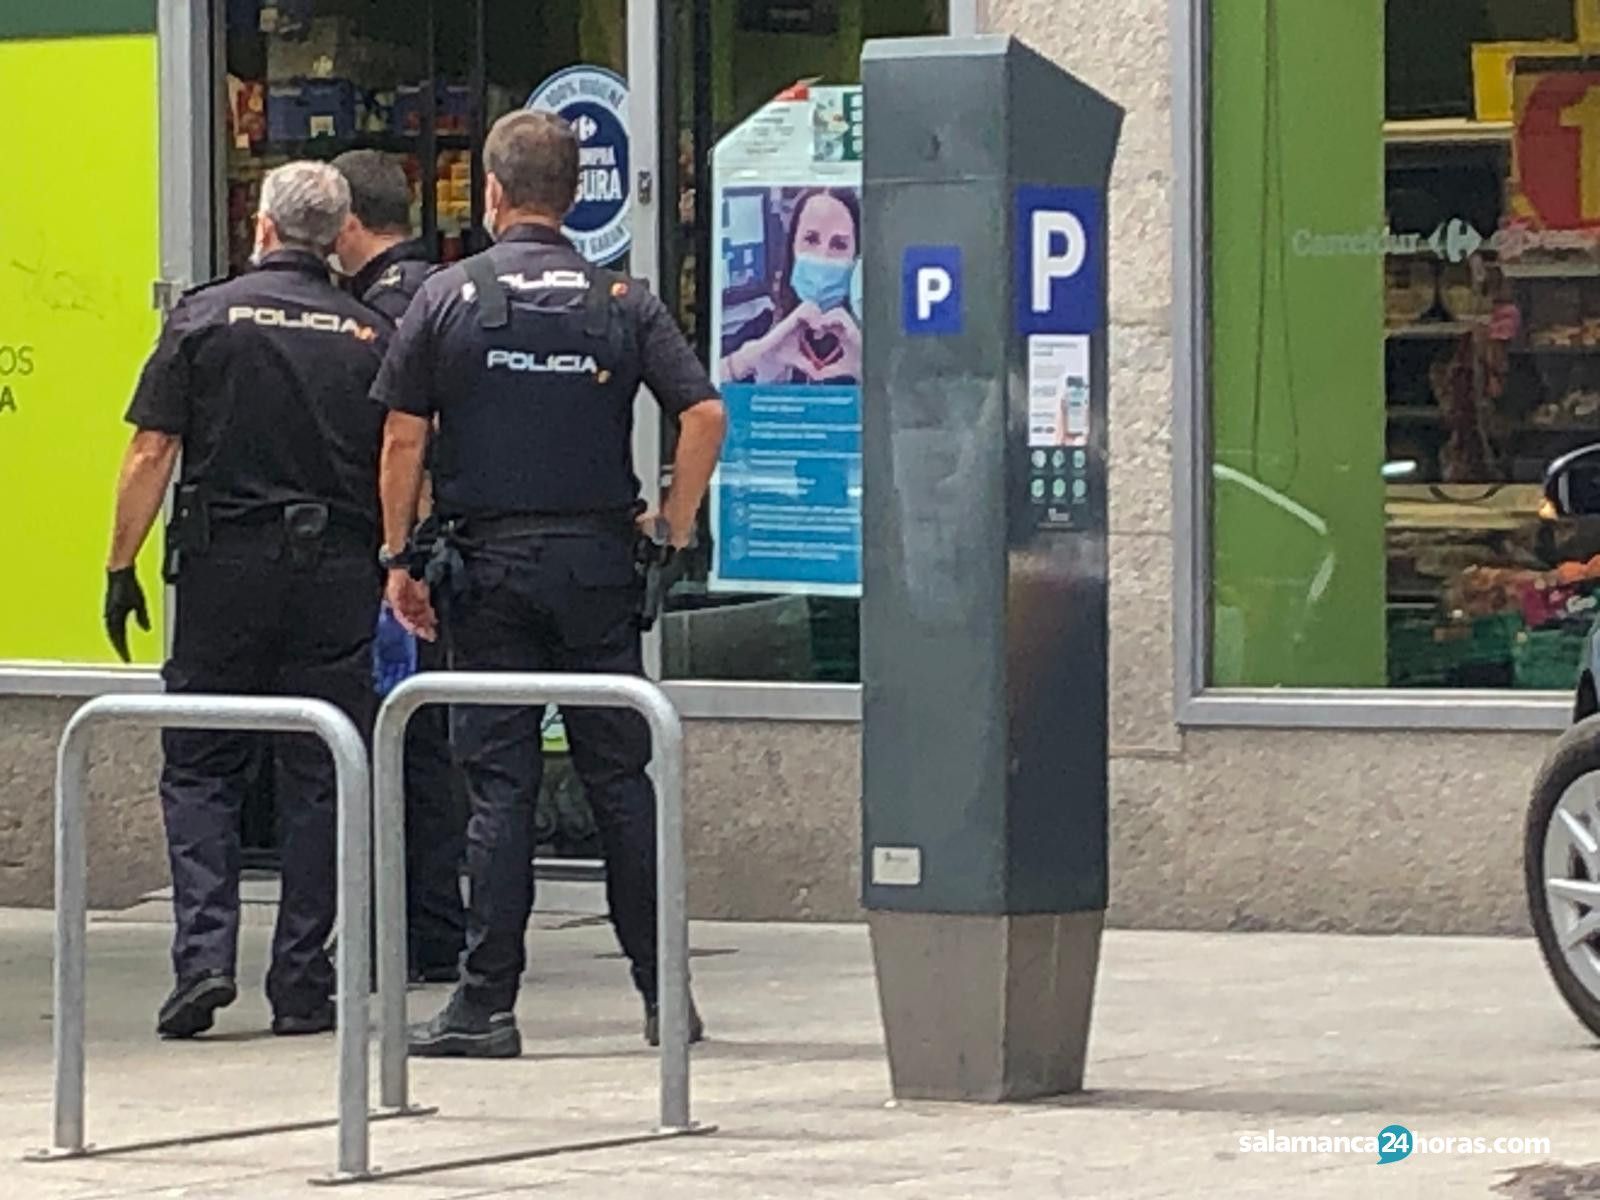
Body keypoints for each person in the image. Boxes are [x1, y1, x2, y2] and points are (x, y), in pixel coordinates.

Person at [373, 109, 727, 1058]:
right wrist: (673, 524)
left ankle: (486, 1005)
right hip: (598, 566)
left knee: (498, 791)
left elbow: (404, 437)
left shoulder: (447, 297)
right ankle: (665, 997)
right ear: (573, 195)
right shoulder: (624, 299)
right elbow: (702, 415)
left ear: (491, 192)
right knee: (622, 779)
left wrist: (398, 557)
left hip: (487, 572)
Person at [104, 161, 390, 1040]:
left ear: (262, 226)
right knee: (320, 768)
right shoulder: (371, 334)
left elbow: (153, 450)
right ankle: (302, 979)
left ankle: (202, 961)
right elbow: (402, 456)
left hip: (226, 565)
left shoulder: (204, 317)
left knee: (199, 763)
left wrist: (122, 566)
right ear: (336, 234)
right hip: (337, 571)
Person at [332, 148, 467, 986]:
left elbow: (402, 438)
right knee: (433, 742)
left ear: (347, 221)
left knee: (403, 740)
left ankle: (416, 927)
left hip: (410, 553)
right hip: (458, 541)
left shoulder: (383, 311)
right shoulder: (444, 290)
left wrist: (397, 553)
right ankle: (439, 924)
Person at [719, 187, 862, 386]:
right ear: (792, 246)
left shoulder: (876, 338)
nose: (822, 255)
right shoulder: (763, 326)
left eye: (839, 245)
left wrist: (869, 369)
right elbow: (697, 386)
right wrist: (755, 357)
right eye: (811, 239)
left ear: (857, 256)